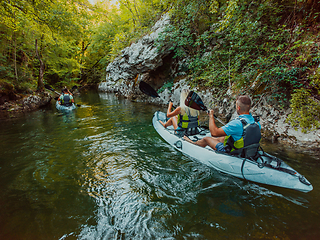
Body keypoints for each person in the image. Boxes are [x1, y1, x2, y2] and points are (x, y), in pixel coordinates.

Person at [183, 95, 261, 153]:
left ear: (238, 108)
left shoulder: (237, 123)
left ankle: (193, 143)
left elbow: (214, 133)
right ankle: (210, 141)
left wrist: (211, 116)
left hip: (235, 152)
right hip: (248, 150)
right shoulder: (256, 121)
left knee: (206, 139)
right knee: (223, 137)